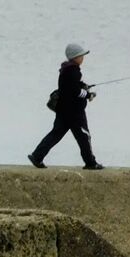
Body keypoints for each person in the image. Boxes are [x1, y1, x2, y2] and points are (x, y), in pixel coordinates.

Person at [28, 42, 105, 170]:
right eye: (81, 56)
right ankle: (90, 163)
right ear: (75, 57)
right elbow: (74, 91)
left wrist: (82, 86)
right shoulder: (74, 71)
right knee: (84, 136)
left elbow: (70, 86)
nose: (83, 58)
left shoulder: (66, 70)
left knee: (55, 134)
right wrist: (88, 95)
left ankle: (37, 156)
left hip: (63, 111)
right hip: (75, 112)